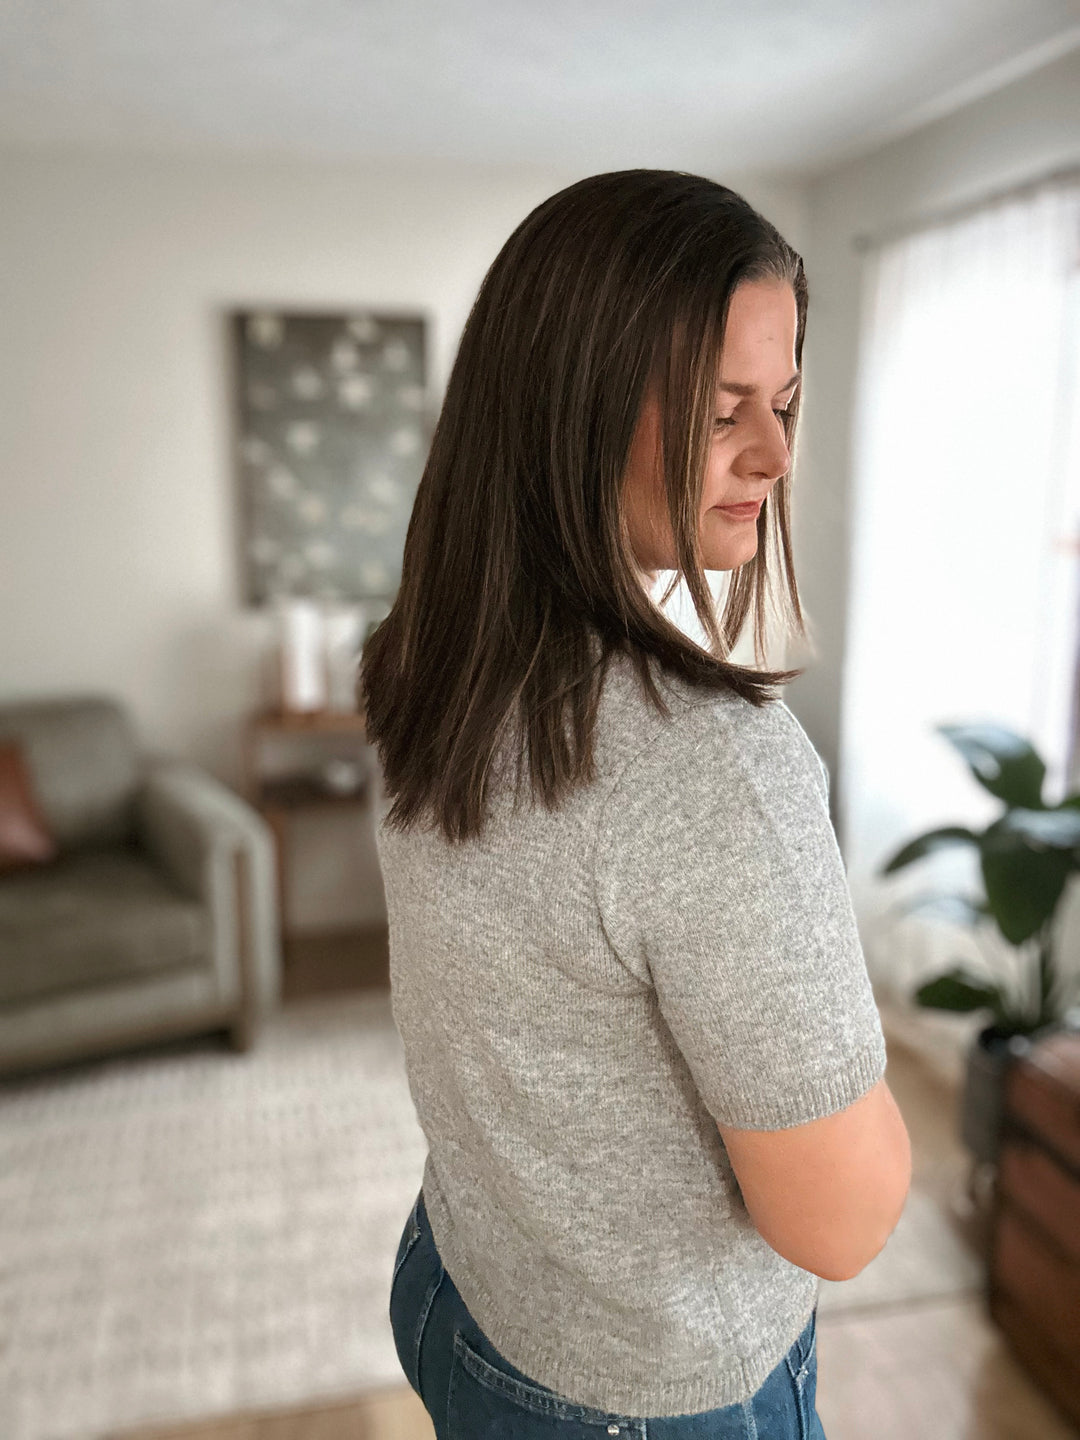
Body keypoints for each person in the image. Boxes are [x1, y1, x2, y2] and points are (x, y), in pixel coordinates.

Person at [361, 169, 912, 1439]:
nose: (776, 455)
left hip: (460, 1282)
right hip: (635, 1392)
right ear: (572, 406)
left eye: (783, 403)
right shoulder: (714, 770)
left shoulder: (429, 658)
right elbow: (845, 1220)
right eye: (727, 412)